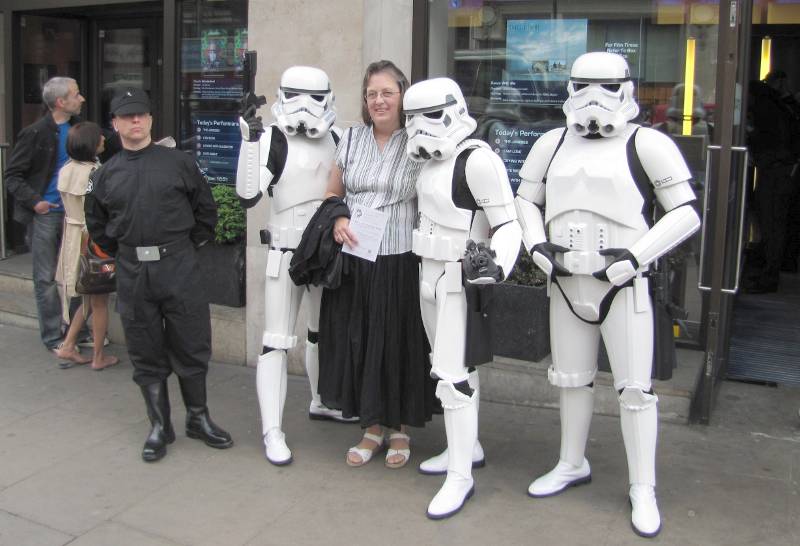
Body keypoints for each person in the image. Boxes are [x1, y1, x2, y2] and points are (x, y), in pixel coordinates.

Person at [515, 52, 701, 538]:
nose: (593, 98)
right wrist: (535, 245)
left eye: (606, 87)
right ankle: (570, 462)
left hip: (624, 284)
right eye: (583, 86)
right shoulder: (551, 143)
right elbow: (523, 200)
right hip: (566, 281)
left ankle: (644, 486)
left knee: (635, 391)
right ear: (570, 88)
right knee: (571, 379)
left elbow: (684, 212)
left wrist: (636, 257)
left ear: (627, 89)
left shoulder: (648, 144)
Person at [84, 88, 233, 462]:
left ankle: (198, 419)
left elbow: (206, 213)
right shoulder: (105, 175)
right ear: (115, 123)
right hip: (135, 273)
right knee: (145, 348)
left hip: (179, 267)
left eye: (142, 115)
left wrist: (180, 250)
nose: (136, 121)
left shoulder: (179, 163)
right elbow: (98, 226)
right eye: (127, 116)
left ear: (150, 119)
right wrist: (128, 254)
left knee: (191, 343)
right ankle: (160, 425)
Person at [403, 77, 522, 518]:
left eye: (429, 116)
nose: (419, 127)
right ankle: (465, 449)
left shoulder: (477, 160)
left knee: (453, 377)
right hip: (428, 275)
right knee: (451, 370)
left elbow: (509, 223)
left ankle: (461, 478)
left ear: (454, 111)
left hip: (459, 277)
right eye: (411, 119)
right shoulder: (427, 162)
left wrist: (497, 265)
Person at [235, 65, 355, 467]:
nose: (305, 107)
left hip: (325, 251)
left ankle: (322, 400)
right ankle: (273, 429)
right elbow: (248, 193)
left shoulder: (338, 138)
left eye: (315, 97)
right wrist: (250, 141)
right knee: (276, 341)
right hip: (286, 252)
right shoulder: (271, 139)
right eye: (296, 95)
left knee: (321, 333)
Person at [319, 60, 435, 469]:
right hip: (358, 258)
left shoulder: (420, 140)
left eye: (387, 92)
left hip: (403, 257)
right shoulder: (350, 139)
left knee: (401, 343)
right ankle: (372, 426)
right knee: (364, 341)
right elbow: (333, 193)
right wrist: (338, 219)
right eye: (372, 94)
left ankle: (400, 426)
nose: (379, 100)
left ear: (403, 96)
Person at [3, 77, 85, 352]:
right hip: (46, 215)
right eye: (76, 94)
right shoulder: (36, 133)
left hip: (74, 214)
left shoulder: (78, 129)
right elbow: (12, 176)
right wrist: (36, 202)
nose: (82, 98)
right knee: (46, 277)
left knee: (77, 274)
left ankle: (77, 332)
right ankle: (53, 336)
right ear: (61, 102)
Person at [53, 122, 119, 370]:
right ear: (91, 144)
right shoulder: (95, 173)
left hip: (72, 239)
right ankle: (98, 357)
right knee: (99, 301)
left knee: (88, 300)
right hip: (91, 241)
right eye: (99, 137)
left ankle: (68, 345)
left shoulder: (67, 169)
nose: (103, 138)